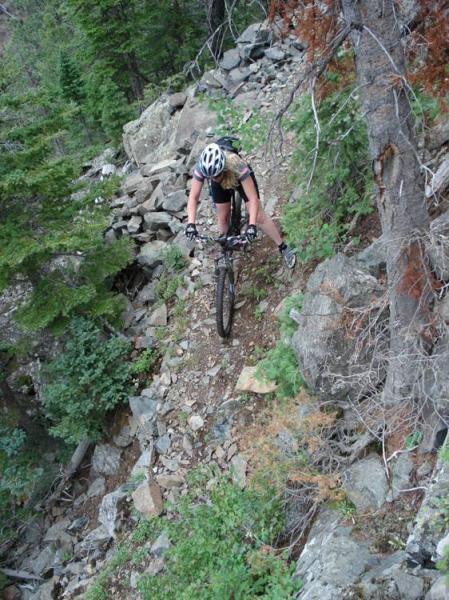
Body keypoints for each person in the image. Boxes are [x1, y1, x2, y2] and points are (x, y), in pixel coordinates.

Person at [184, 143, 296, 269]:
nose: (213, 179)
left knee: (258, 216)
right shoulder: (203, 168)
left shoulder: (237, 164)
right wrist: (191, 224)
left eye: (216, 176)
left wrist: (252, 225)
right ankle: (225, 252)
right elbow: (193, 197)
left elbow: (253, 199)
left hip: (237, 176)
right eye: (210, 177)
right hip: (221, 184)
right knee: (222, 217)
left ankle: (283, 247)